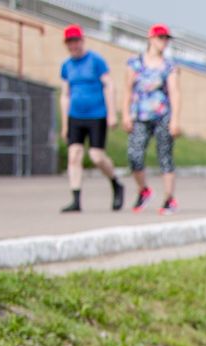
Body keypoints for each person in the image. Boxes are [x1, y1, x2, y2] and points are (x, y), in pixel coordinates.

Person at [58, 24, 123, 213]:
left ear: (82, 41)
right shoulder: (66, 66)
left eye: (76, 41)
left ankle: (115, 183)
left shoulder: (95, 61)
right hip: (75, 116)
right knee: (74, 155)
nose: (73, 46)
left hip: (96, 115)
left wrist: (111, 113)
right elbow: (65, 95)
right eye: (69, 42)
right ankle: (76, 198)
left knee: (96, 157)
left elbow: (109, 86)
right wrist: (65, 124)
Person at [123, 24, 181, 215]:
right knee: (135, 155)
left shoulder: (169, 66)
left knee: (165, 156)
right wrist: (125, 113)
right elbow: (128, 89)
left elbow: (174, 93)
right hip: (140, 115)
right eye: (159, 38)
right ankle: (143, 189)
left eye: (166, 38)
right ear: (150, 39)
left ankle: (169, 199)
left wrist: (175, 119)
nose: (163, 42)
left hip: (162, 115)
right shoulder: (135, 63)